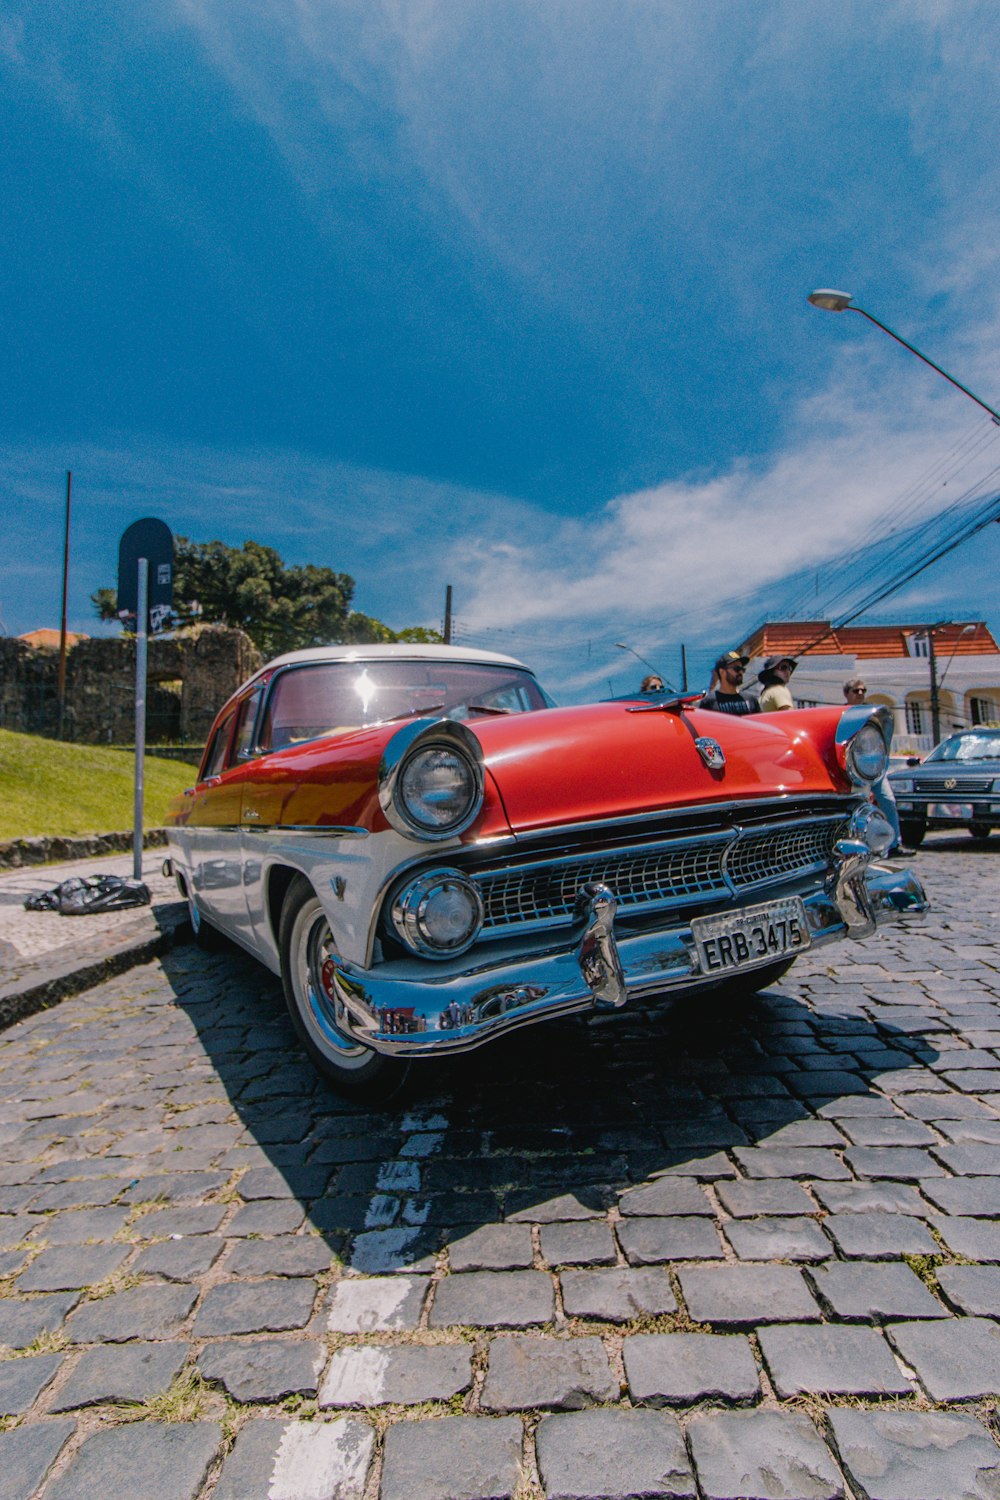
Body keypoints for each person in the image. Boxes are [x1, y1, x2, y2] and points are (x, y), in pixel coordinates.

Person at [843, 677, 915, 858]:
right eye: (856, 690)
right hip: (851, 768)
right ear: (847, 694)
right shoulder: (843, 715)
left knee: (888, 801)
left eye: (863, 690)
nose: (860, 693)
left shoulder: (872, 713)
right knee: (855, 806)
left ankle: (894, 844)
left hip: (873, 766)